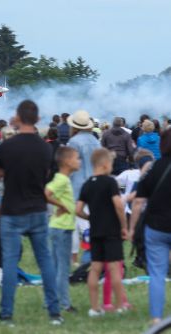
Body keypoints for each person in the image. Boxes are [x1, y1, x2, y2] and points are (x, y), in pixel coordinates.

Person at [0, 100, 63, 326]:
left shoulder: (7, 146)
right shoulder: (44, 147)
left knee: (10, 262)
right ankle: (54, 312)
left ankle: (6, 313)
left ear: (17, 116)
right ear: (38, 118)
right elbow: (45, 175)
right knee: (45, 262)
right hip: (38, 209)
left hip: (12, 209)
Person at [75, 148, 129, 317]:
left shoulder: (87, 184)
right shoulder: (110, 182)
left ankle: (94, 308)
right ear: (105, 164)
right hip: (111, 231)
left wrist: (89, 217)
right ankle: (120, 306)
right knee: (114, 269)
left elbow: (78, 210)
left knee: (95, 269)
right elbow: (118, 205)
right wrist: (123, 225)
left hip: (95, 231)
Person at [129, 128, 171, 325]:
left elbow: (137, 202)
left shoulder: (153, 168)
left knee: (156, 273)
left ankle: (156, 318)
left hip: (156, 227)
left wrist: (131, 228)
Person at [45, 146, 81, 313]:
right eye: (77, 158)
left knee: (54, 266)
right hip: (62, 228)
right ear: (67, 162)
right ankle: (64, 303)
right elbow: (46, 193)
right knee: (63, 268)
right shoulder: (63, 180)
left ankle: (50, 300)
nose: (79, 161)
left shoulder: (62, 178)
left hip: (57, 227)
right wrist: (61, 205)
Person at [67, 110, 101, 265]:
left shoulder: (73, 142)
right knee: (90, 221)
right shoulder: (96, 141)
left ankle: (74, 257)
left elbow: (69, 165)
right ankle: (92, 253)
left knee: (73, 223)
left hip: (76, 185)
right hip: (94, 184)